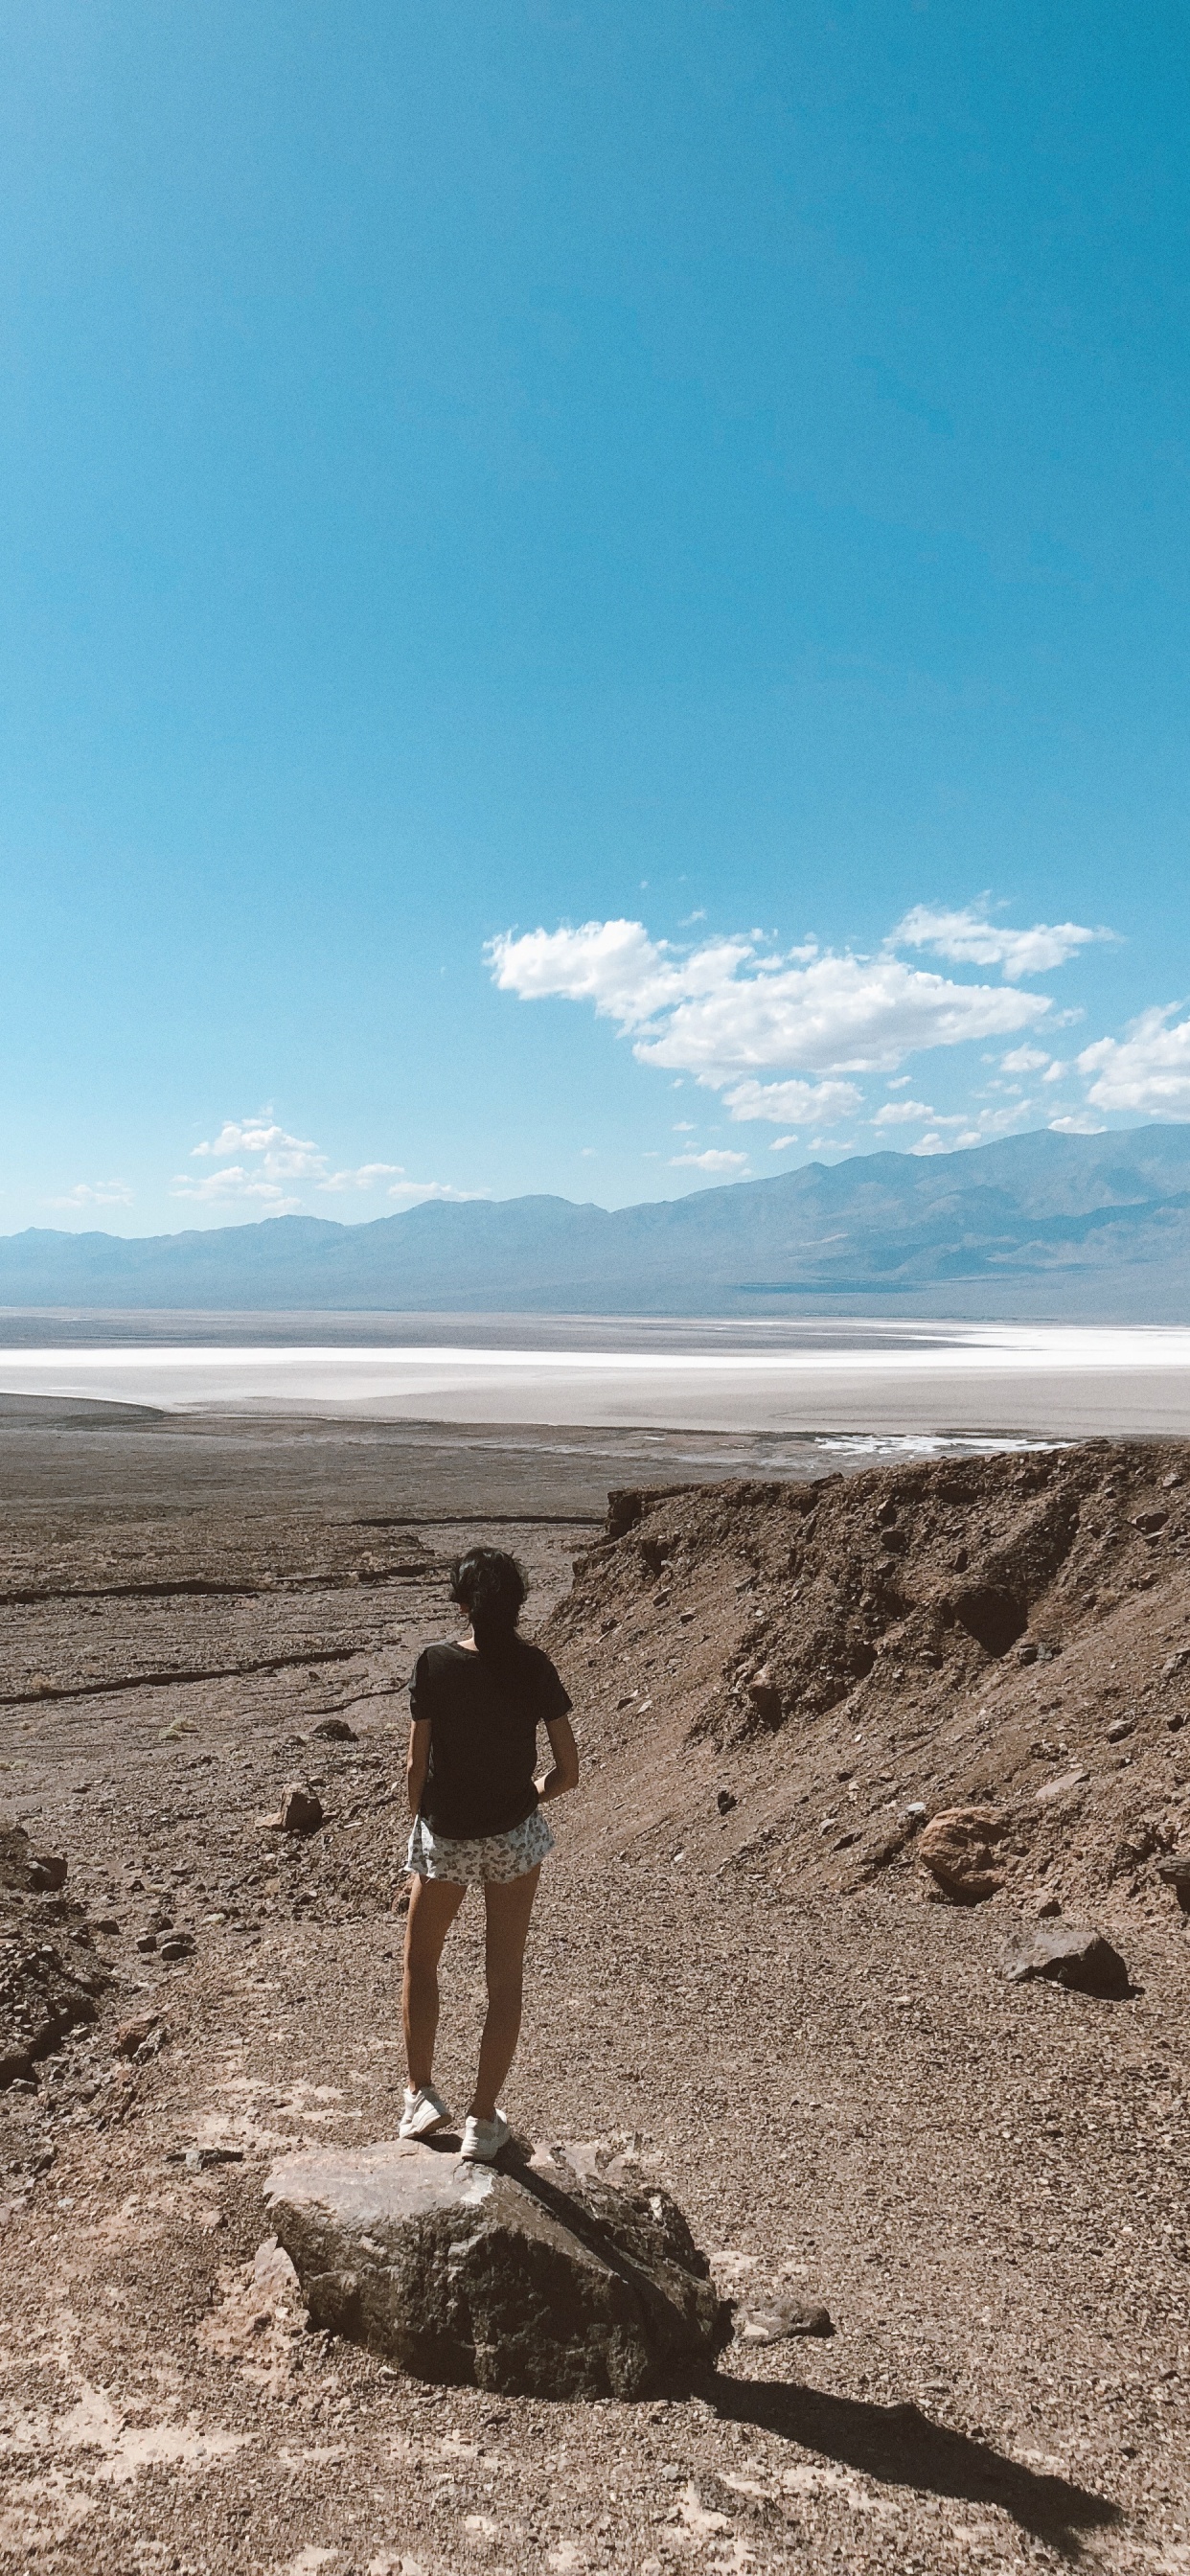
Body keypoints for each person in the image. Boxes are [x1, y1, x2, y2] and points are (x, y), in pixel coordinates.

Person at [399, 1545, 579, 2164]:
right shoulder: (536, 1667)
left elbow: (415, 1770)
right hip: (513, 1836)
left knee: (422, 1963)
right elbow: (569, 1770)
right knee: (504, 1982)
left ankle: (421, 2093)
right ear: (518, 1604)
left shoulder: (434, 1664)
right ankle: (482, 2121)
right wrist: (531, 1793)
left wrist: (422, 1824)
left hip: (446, 1834)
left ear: (461, 1603)